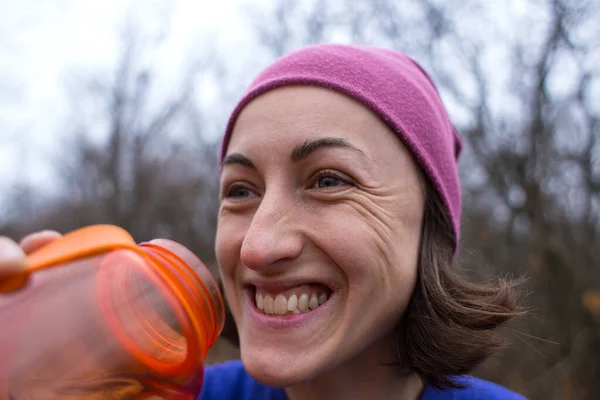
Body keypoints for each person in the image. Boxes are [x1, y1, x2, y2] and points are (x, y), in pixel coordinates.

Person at [0, 44, 526, 399]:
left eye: (328, 181)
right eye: (241, 191)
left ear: (430, 229)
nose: (258, 246)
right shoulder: (139, 389)